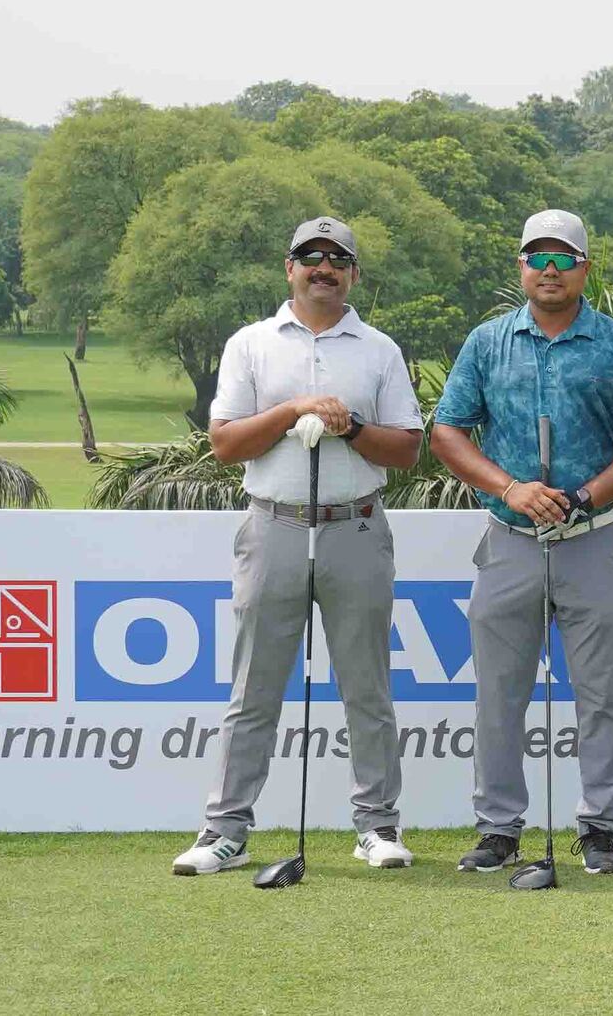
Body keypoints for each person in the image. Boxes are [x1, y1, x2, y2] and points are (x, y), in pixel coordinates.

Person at [171, 217, 425, 876]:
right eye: (310, 257)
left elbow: (406, 447)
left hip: (356, 525)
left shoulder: (379, 349)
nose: (323, 267)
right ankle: (225, 831)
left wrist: (351, 424)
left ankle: (377, 825)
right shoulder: (251, 344)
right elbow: (225, 444)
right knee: (254, 687)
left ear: (353, 274)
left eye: (337, 258)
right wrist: (293, 411)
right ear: (290, 268)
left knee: (366, 686)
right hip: (274, 524)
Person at [431, 209, 613, 875]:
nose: (550, 270)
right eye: (537, 257)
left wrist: (588, 495)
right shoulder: (487, 342)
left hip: (593, 538)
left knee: (600, 693)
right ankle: (498, 830)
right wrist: (510, 488)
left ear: (585, 268)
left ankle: (599, 830)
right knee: (499, 692)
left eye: (563, 258)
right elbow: (448, 430)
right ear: (521, 268)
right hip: (510, 537)